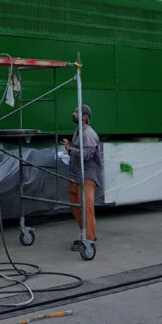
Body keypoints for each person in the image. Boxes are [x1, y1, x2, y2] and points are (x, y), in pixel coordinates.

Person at [60, 104, 102, 250]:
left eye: (76, 112)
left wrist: (70, 149)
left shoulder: (89, 133)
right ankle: (84, 234)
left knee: (86, 207)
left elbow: (88, 154)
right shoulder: (78, 131)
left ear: (84, 117)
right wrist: (69, 147)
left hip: (87, 176)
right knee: (75, 206)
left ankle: (90, 240)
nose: (73, 114)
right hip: (76, 175)